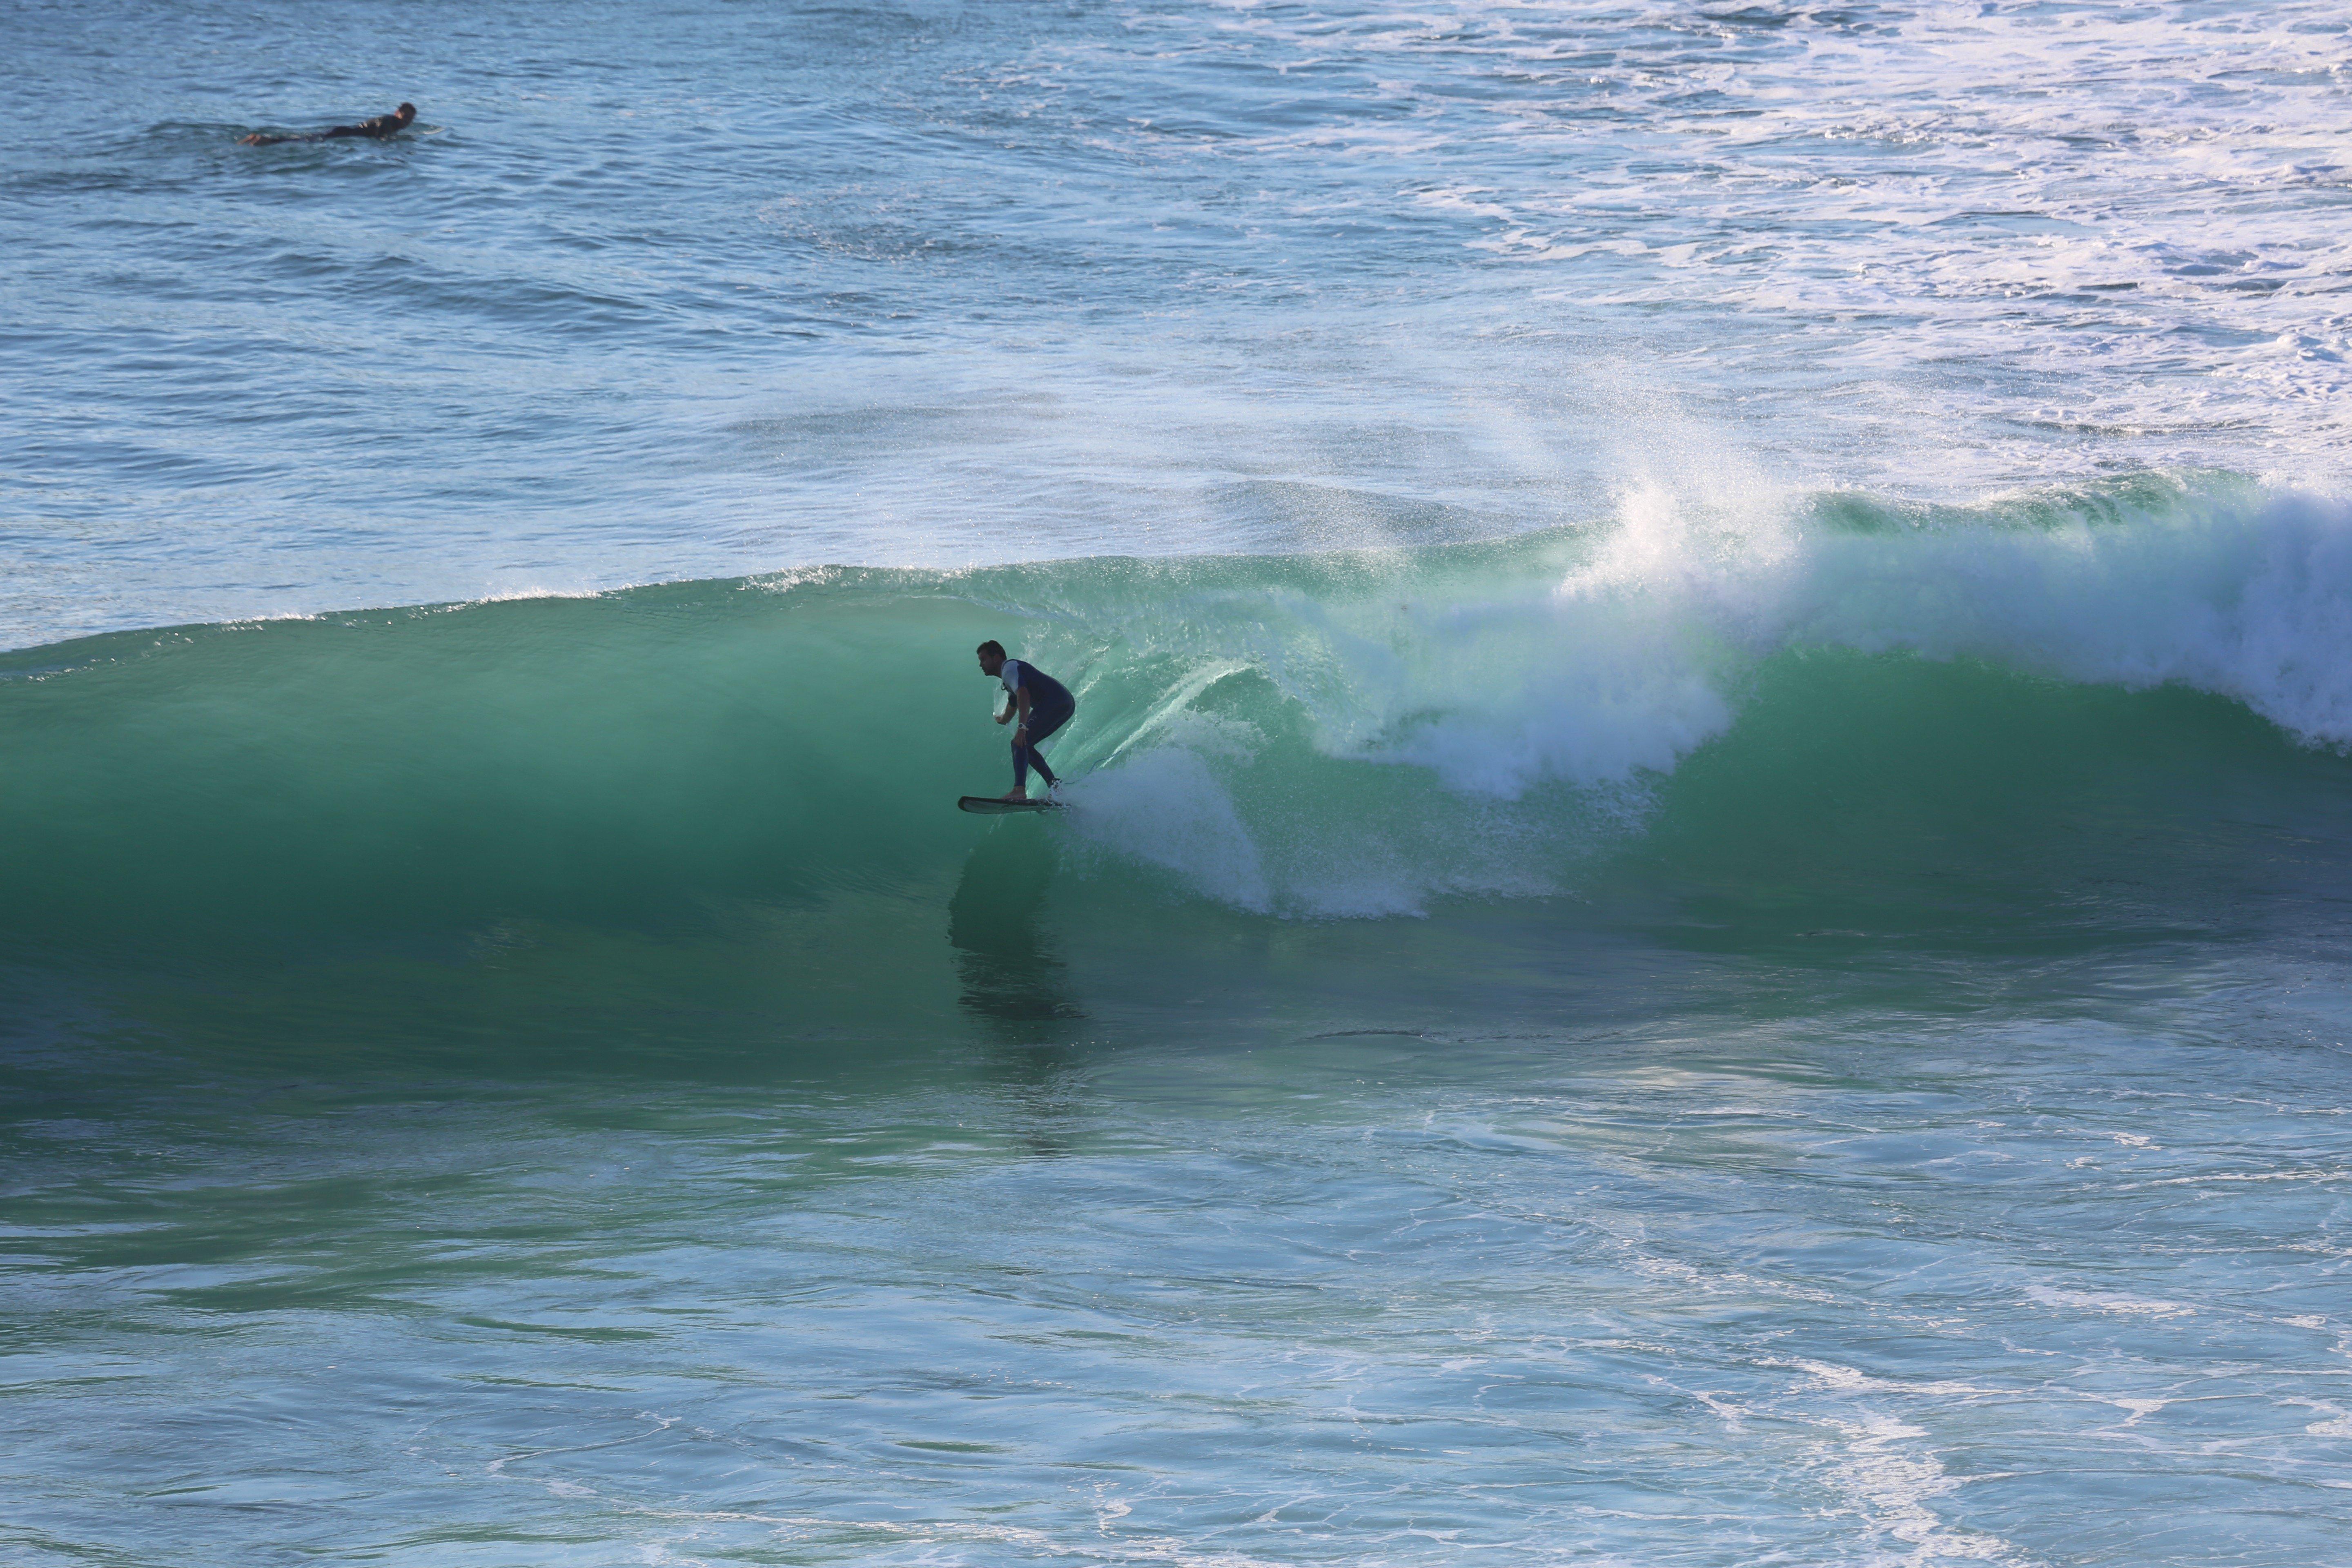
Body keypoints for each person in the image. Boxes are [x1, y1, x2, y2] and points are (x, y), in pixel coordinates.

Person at [977, 640, 1076, 802]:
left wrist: (1022, 728)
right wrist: (1002, 719)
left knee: (1019, 743)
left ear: (996, 658)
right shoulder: (1010, 674)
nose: (981, 665)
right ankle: (1056, 787)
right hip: (1064, 704)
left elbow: (1023, 694)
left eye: (983, 659)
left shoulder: (1009, 668)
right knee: (1025, 745)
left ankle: (1019, 790)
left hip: (1054, 702)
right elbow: (1014, 703)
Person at [242, 103, 416, 147]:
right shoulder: (388, 121)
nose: (407, 121)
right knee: (305, 141)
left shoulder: (390, 122)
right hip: (344, 134)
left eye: (410, 119)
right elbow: (381, 141)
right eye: (405, 116)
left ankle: (261, 139)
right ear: (397, 113)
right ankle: (267, 141)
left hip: (344, 132)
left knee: (306, 139)